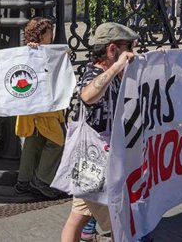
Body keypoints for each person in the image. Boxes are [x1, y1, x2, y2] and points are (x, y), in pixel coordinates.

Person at [61, 22, 137, 242]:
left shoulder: (114, 72)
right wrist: (116, 68)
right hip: (96, 161)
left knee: (78, 216)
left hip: (92, 161)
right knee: (120, 222)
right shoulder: (95, 72)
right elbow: (87, 95)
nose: (131, 51)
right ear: (112, 49)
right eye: (128, 46)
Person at [14, 17, 65, 199]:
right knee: (57, 142)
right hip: (42, 109)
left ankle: (23, 182)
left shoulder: (46, 51)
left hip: (34, 109)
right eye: (49, 31)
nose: (52, 34)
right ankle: (41, 180)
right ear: (41, 34)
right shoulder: (31, 51)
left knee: (32, 143)